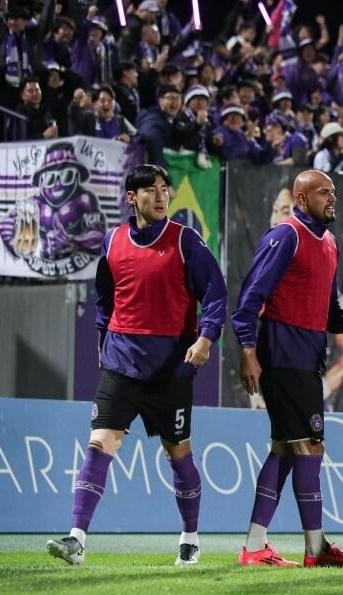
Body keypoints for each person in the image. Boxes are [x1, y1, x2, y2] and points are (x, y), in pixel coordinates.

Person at [46, 164, 227, 566]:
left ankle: (190, 538)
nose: (161, 196)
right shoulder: (112, 242)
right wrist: (101, 339)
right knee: (99, 443)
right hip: (121, 361)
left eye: (165, 189)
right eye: (152, 190)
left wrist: (205, 337)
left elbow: (215, 293)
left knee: (178, 453)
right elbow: (105, 299)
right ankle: (76, 539)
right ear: (132, 197)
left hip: (171, 368)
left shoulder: (186, 242)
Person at [232, 170, 343, 569]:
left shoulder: (327, 242)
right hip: (283, 358)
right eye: (323, 192)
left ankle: (256, 547)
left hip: (307, 359)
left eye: (334, 192)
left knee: (286, 451)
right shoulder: (285, 236)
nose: (332, 198)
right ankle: (316, 549)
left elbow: (326, 306)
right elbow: (249, 299)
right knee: (310, 448)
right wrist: (248, 349)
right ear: (300, 196)